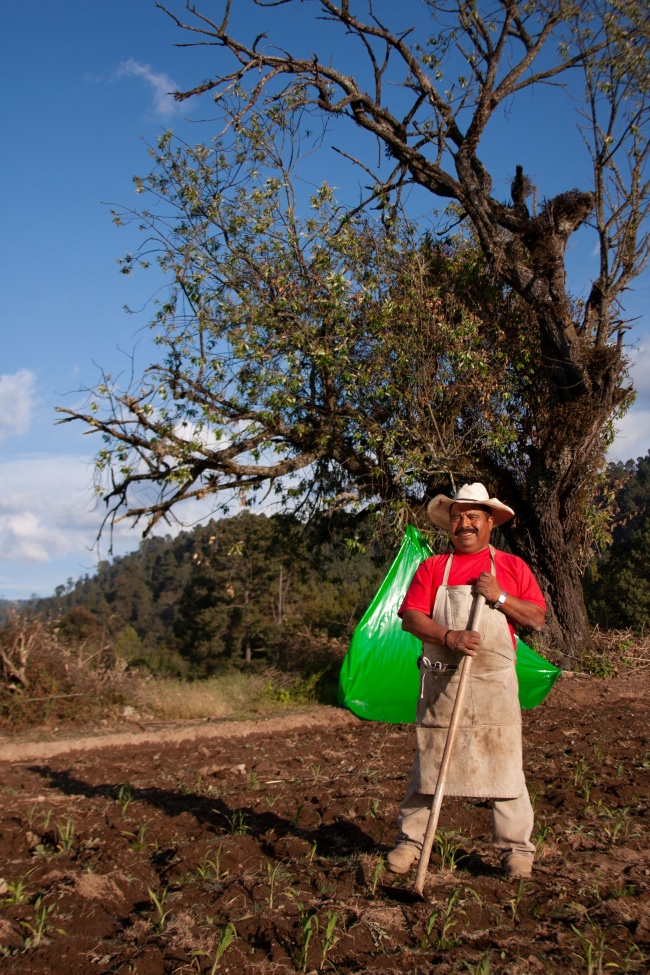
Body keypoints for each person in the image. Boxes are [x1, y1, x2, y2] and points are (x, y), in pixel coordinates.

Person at [387, 482, 547, 879]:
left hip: (494, 683)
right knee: (430, 758)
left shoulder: (511, 567)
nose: (464, 525)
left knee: (505, 761)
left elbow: (536, 618)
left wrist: (500, 597)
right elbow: (410, 617)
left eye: (473, 516)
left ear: (490, 522)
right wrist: (448, 637)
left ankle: (516, 851)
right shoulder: (432, 568)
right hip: (443, 679)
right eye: (457, 517)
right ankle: (412, 842)